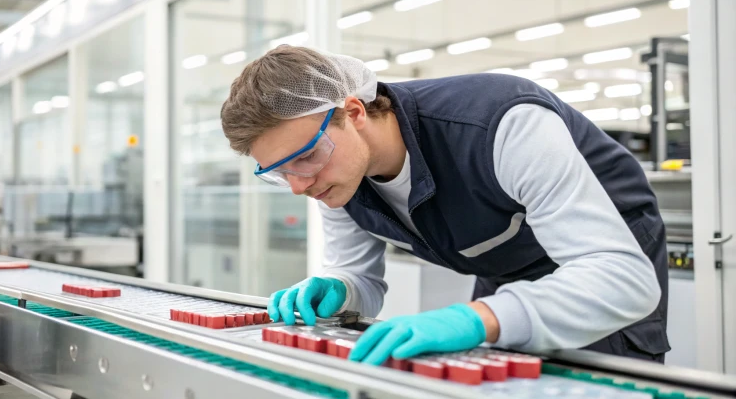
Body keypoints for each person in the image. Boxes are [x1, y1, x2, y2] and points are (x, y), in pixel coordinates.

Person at [220, 45, 669, 366]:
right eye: (280, 172)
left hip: (605, 257)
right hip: (508, 272)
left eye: (305, 158)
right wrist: (338, 288)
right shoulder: (336, 172)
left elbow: (623, 279)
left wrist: (479, 317)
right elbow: (359, 278)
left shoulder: (499, 123)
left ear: (354, 113)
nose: (299, 186)